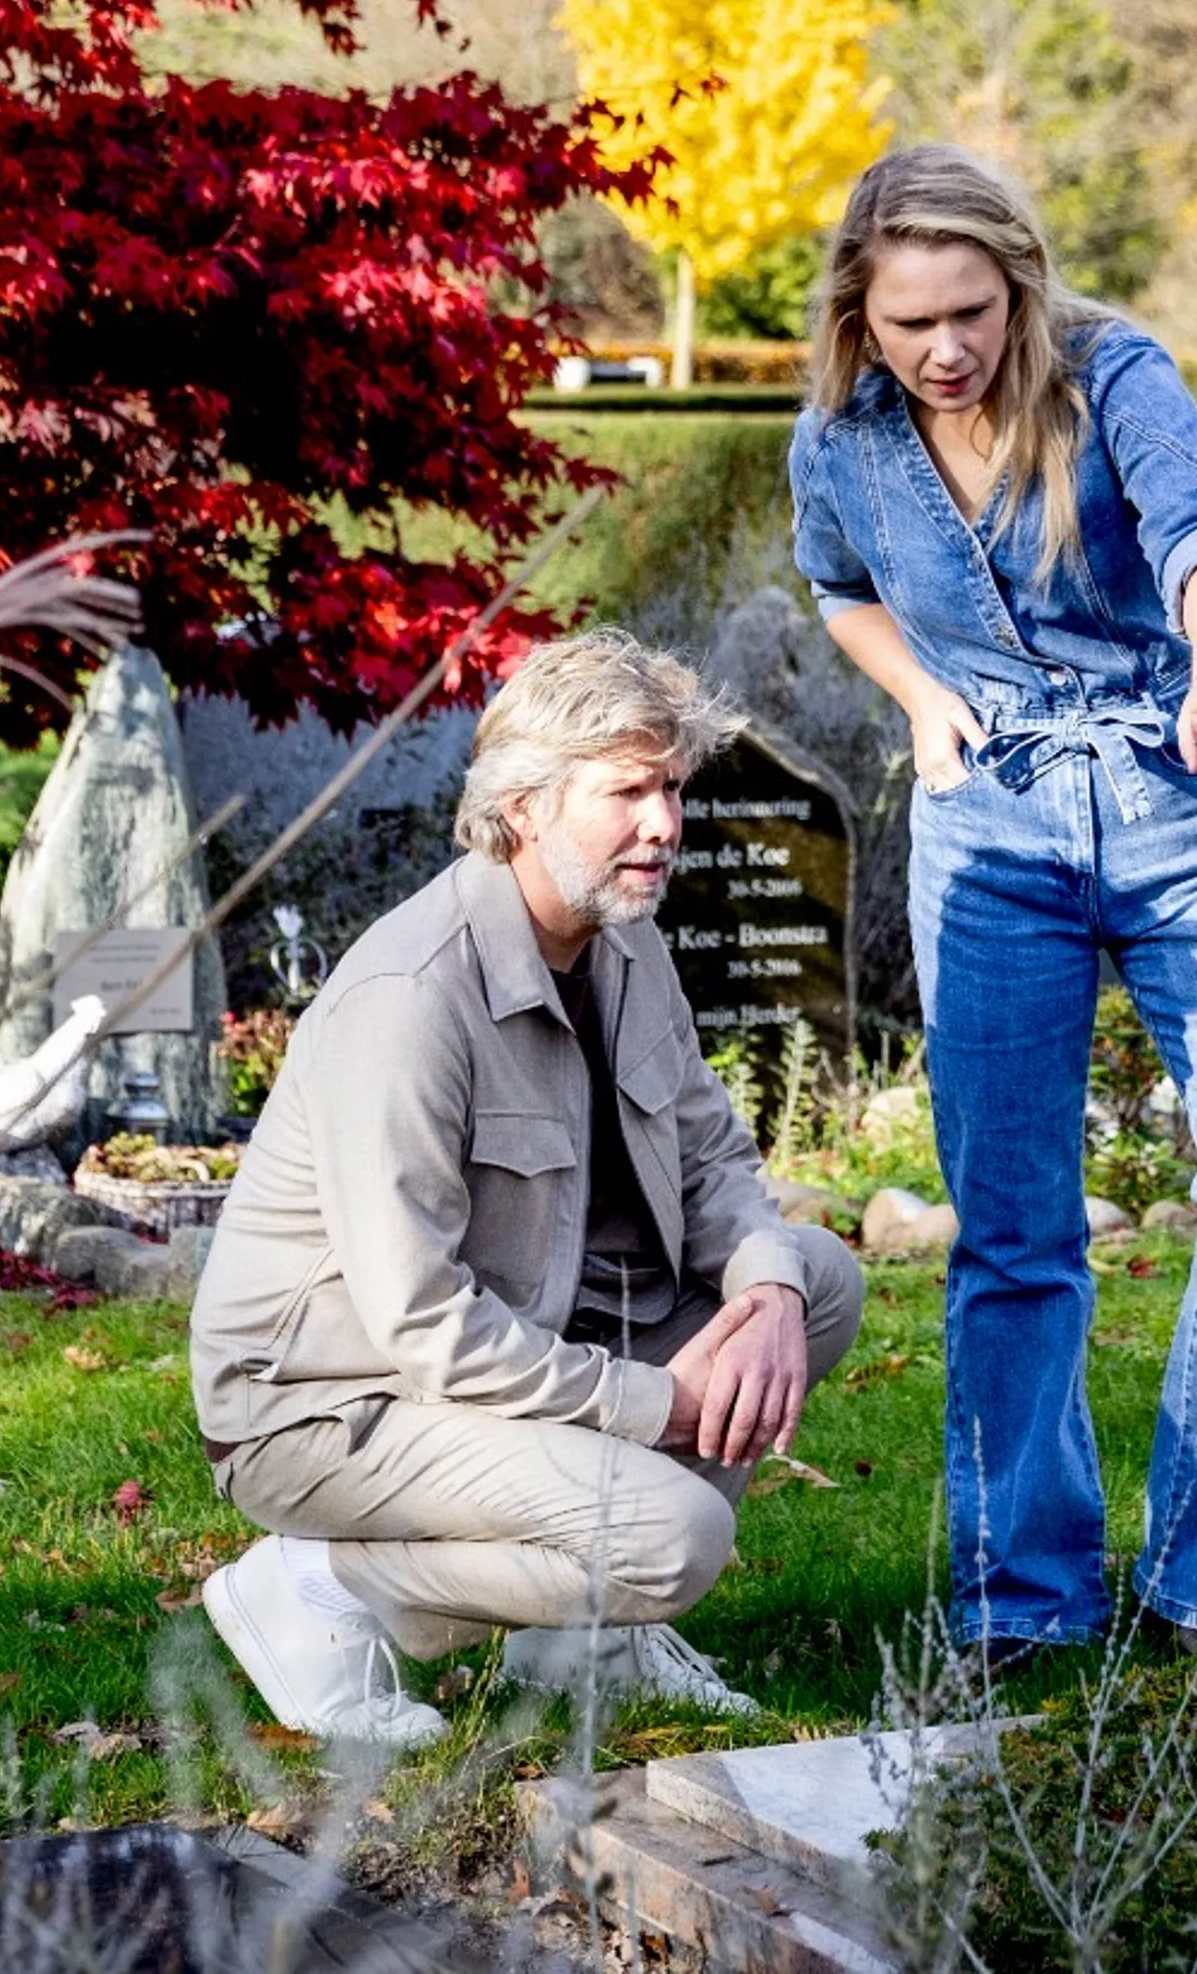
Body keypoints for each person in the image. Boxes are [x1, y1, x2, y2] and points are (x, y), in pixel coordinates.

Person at [789, 142, 1197, 1657]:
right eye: (912, 323)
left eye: (972, 310)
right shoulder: (840, 438)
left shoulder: (1114, 374)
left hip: (1183, 800)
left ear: (1018, 284)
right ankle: (1022, 1596)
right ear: (861, 315)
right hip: (993, 831)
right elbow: (838, 584)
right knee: (1016, 1230)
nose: (947, 349)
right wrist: (916, 695)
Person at [188, 630, 868, 1747]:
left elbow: (712, 1161)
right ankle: (321, 1586)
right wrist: (662, 1404)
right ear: (524, 808)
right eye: (627, 792)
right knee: (673, 1538)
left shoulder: (624, 939)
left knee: (815, 1281)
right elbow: (421, 1323)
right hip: (333, 1403)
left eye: (673, 788)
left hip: (534, 1327)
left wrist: (767, 1296)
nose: (664, 823)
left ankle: (583, 1638)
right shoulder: (411, 1000)